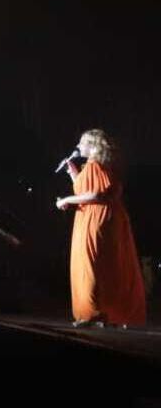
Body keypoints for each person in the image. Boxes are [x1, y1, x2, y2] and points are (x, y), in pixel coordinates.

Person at [58, 129, 147, 327]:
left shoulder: (95, 165)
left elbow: (96, 195)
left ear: (92, 146)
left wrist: (66, 200)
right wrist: (73, 173)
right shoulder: (95, 166)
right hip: (96, 217)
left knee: (92, 266)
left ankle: (93, 313)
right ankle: (103, 313)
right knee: (102, 266)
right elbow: (87, 189)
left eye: (82, 143)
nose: (78, 146)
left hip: (96, 218)